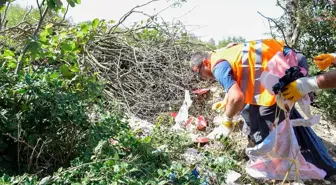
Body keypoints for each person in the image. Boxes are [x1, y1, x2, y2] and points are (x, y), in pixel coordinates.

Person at [190, 39, 309, 145]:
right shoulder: (219, 54)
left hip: (291, 66)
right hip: (283, 65)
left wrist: (227, 121)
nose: (204, 78)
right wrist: (228, 101)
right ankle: (263, 148)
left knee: (266, 114)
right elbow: (240, 75)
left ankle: (282, 157)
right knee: (250, 112)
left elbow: (237, 98)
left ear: (205, 63)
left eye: (201, 73)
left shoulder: (217, 67)